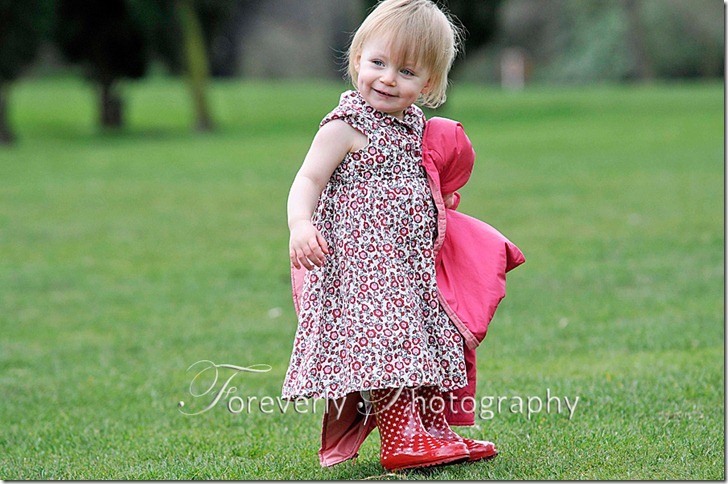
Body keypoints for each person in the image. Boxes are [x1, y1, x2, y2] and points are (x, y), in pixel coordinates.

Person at [282, 0, 498, 471]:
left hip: (410, 264)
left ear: (429, 84)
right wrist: (300, 224)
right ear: (358, 58)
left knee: (427, 338)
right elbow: (308, 180)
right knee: (390, 342)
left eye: (406, 71)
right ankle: (402, 438)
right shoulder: (345, 125)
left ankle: (433, 429)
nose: (387, 79)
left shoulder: (414, 126)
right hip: (363, 268)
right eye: (378, 63)